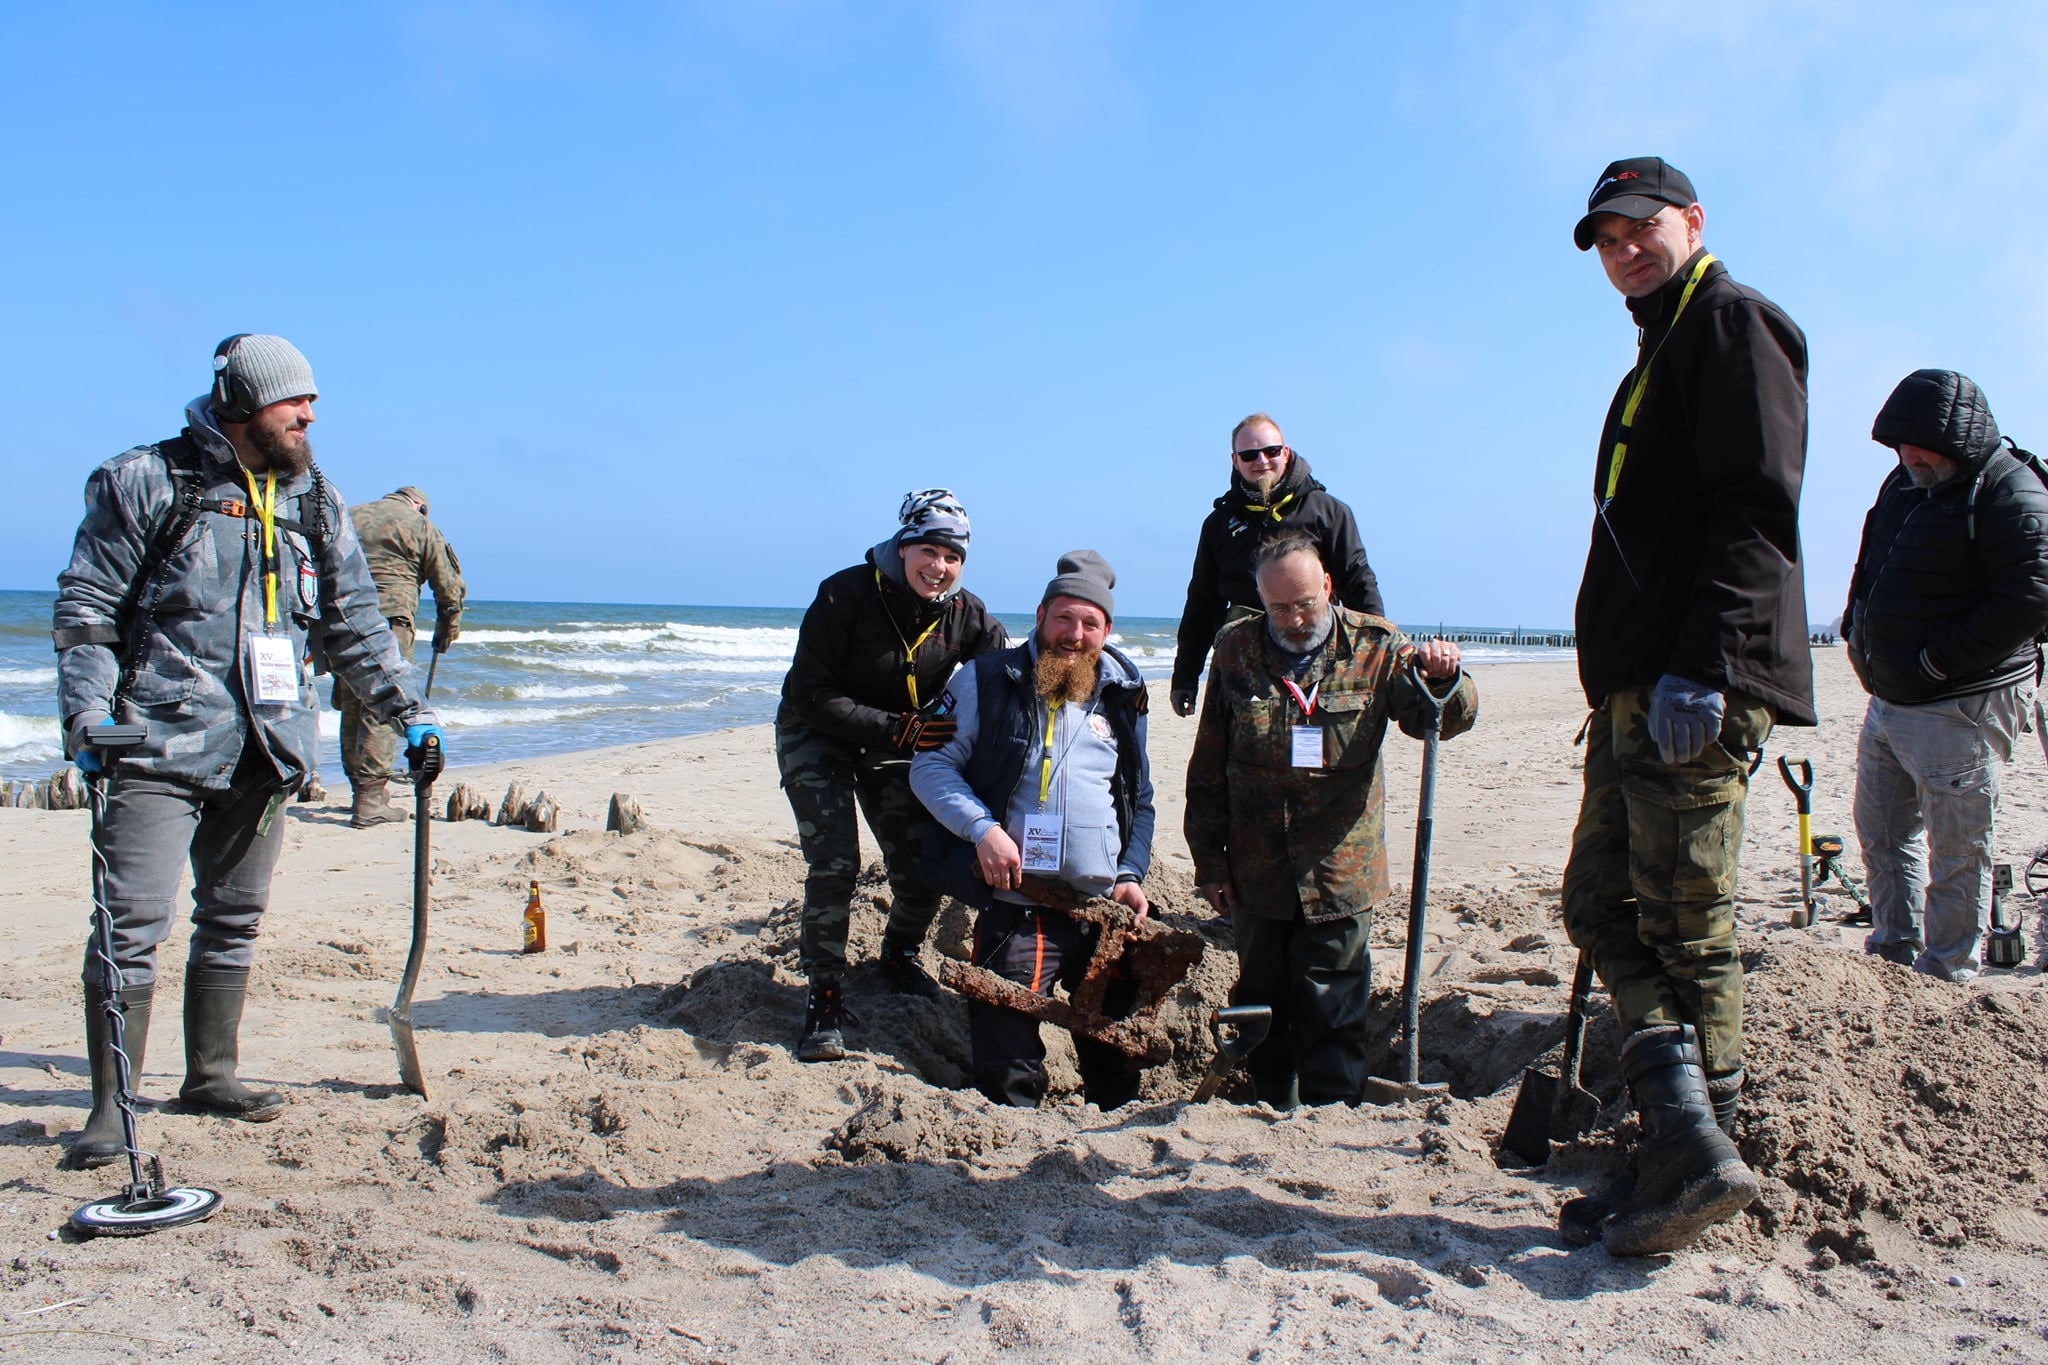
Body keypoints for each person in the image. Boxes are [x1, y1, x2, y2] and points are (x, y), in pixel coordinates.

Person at [53, 334, 442, 1167]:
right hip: (154, 745)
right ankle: (111, 1106)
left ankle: (211, 1075)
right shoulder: (145, 481)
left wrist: (409, 714)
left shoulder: (317, 501)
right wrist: (86, 715)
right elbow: (87, 609)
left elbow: (354, 625)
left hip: (267, 748)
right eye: (292, 401)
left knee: (232, 919)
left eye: (312, 402)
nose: (308, 416)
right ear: (241, 405)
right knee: (129, 926)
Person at [1561, 158, 1815, 1255]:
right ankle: (1678, 1137)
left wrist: (1703, 665)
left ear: (1692, 222)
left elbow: (1757, 509)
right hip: (1636, 684)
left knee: (1684, 923)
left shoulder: (1730, 323)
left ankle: (1703, 1152)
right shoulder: (1663, 340)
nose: (1624, 250)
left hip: (1690, 682)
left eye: (1640, 228)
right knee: (1600, 901)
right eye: (1606, 239)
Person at [1185, 534, 1474, 1108]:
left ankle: (1334, 1112)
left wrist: (1444, 679)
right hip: (1257, 871)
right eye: (1278, 608)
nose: (1293, 620)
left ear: (1328, 587)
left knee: (1334, 1007)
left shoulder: (1377, 646)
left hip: (1340, 870)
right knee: (1262, 1002)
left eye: (1304, 604)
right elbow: (1209, 764)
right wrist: (1209, 862)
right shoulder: (1236, 648)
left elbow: (1438, 718)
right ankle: (1272, 1106)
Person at [911, 551, 1155, 1110]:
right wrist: (983, 830)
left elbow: (1139, 797)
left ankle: (1113, 1126)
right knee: (1006, 1061)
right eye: (1064, 618)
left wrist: (1129, 873)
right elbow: (929, 766)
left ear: (1107, 631)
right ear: (1040, 615)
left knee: (1115, 1054)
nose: (1075, 635)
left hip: (1103, 908)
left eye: (1090, 623)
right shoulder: (984, 678)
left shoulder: (1125, 695)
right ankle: (1017, 1131)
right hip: (1020, 902)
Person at [777, 490, 1007, 1062]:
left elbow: (1007, 677)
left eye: (953, 557)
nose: (939, 567)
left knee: (921, 860)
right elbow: (809, 693)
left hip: (896, 738)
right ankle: (824, 997)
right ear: (903, 547)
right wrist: (897, 729)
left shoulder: (967, 613)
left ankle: (899, 956)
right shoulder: (844, 593)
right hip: (816, 731)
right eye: (928, 550)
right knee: (836, 862)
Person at [1843, 370, 2048, 981]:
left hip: (1961, 704)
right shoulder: (1905, 481)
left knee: (1958, 851)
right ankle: (1893, 955)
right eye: (1899, 445)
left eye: (1920, 446)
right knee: (1882, 833)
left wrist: (1938, 661)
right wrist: (1855, 629)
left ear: (1957, 439)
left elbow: (2031, 598)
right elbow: (1871, 559)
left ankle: (1947, 971)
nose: (1909, 457)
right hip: (1889, 699)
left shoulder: (2011, 490)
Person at [1168, 413, 1385, 717]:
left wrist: (1378, 658)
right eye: (1249, 455)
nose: (1262, 461)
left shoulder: (1329, 512)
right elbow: (1201, 604)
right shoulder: (1218, 524)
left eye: (1271, 451)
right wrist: (1184, 677)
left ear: (1285, 452)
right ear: (1235, 460)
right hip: (1243, 662)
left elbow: (1359, 583)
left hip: (1315, 653)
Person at [333, 486, 465, 827]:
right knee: (383, 704)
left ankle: (359, 791)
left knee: (353, 703)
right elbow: (449, 588)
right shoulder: (420, 525)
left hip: (342, 618)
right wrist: (446, 631)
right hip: (389, 620)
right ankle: (371, 801)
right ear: (419, 506)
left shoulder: (348, 515)